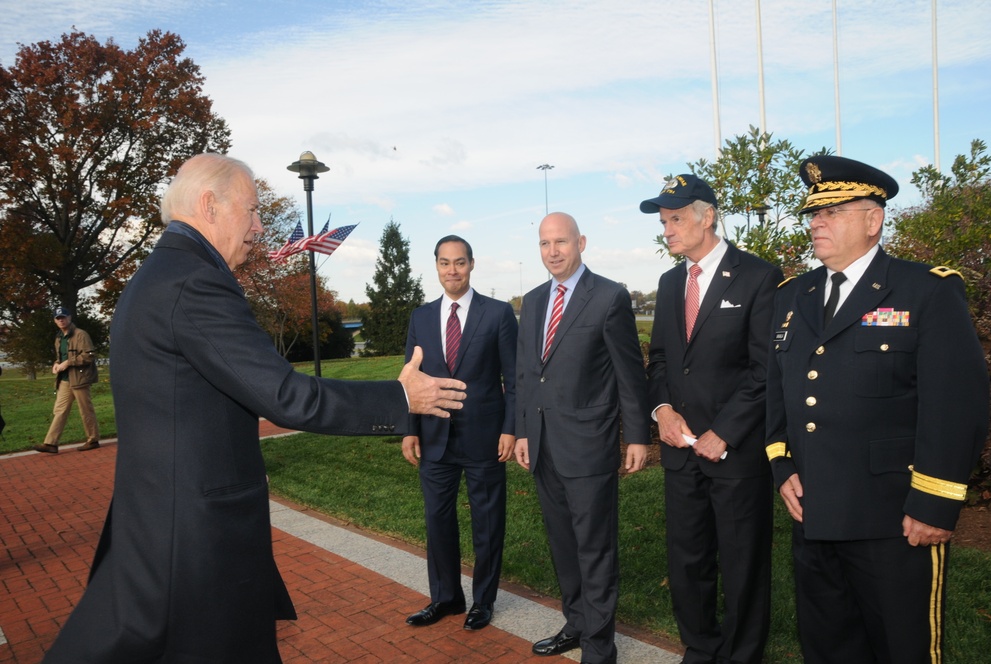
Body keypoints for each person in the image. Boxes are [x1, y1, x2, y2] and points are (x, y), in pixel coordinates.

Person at [43, 153, 467, 664]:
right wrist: (401, 398)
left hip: (166, 521)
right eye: (252, 210)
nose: (260, 226)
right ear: (209, 205)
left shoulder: (162, 273)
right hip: (195, 541)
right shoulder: (194, 282)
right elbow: (284, 395)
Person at [766, 155, 990, 664]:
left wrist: (934, 501)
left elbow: (956, 404)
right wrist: (781, 465)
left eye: (833, 212)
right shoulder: (792, 296)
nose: (816, 223)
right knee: (828, 647)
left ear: (874, 220)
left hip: (894, 520)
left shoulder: (925, 290)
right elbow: (775, 390)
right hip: (813, 510)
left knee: (903, 648)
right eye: (813, 214)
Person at [642, 175, 781, 664]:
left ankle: (742, 655)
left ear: (709, 216)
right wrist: (660, 410)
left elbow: (766, 369)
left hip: (736, 455)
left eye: (676, 219)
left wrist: (724, 431)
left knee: (743, 564)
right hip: (681, 455)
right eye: (664, 222)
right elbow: (659, 360)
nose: (668, 230)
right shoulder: (669, 281)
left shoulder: (760, 277)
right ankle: (699, 648)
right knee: (688, 560)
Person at [514, 212, 649, 664]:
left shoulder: (609, 297)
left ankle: (598, 647)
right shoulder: (532, 302)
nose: (553, 251)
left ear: (581, 242)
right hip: (543, 444)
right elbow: (526, 373)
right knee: (564, 547)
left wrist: (637, 436)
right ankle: (576, 623)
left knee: (594, 549)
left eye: (561, 242)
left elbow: (630, 374)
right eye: (545, 243)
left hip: (589, 446)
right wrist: (521, 431)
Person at [401, 235, 517, 631]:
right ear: (436, 266)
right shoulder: (419, 317)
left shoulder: (499, 314)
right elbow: (409, 381)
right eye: (445, 263)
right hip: (434, 437)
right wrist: (409, 430)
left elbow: (514, 379)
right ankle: (446, 598)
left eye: (460, 262)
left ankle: (483, 601)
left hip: (485, 436)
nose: (453, 270)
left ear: (472, 264)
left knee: (487, 523)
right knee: (437, 521)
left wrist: (511, 429)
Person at [34, 306, 100, 454]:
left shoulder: (81, 335)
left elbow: (89, 355)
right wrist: (57, 364)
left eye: (63, 317)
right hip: (64, 379)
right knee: (60, 410)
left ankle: (93, 439)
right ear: (55, 321)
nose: (61, 320)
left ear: (70, 318)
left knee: (85, 410)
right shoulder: (58, 338)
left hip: (80, 378)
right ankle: (51, 443)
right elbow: (60, 357)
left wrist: (68, 362)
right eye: (58, 318)